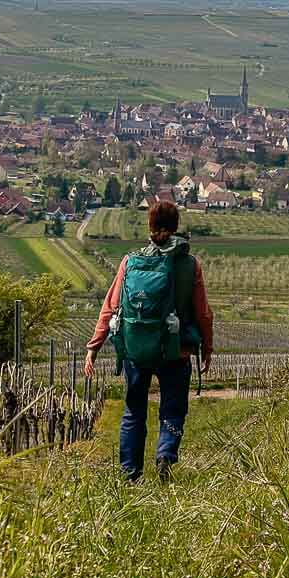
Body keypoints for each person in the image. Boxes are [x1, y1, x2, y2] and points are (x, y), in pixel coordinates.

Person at [84, 201, 214, 482]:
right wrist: (207, 348)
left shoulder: (131, 261)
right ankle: (165, 453)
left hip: (137, 349)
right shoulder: (190, 265)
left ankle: (131, 474)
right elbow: (203, 313)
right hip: (176, 350)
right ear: (177, 226)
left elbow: (111, 306)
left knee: (133, 412)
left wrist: (94, 346)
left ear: (150, 226)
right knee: (173, 409)